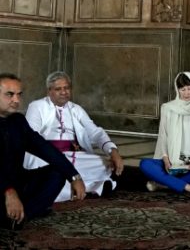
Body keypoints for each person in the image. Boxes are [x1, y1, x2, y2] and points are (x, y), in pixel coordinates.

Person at [1, 73, 86, 230]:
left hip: (17, 182)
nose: (16, 100)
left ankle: (22, 216)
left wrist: (74, 176)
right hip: (4, 187)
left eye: (19, 94)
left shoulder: (18, 121)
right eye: (10, 94)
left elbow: (44, 148)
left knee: (58, 172)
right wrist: (8, 191)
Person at [24, 71, 123, 202]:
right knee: (43, 166)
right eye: (58, 89)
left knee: (104, 164)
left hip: (72, 156)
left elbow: (95, 132)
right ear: (49, 91)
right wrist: (52, 154)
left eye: (66, 88)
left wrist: (112, 150)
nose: (63, 92)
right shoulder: (37, 106)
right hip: (47, 156)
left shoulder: (76, 109)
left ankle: (80, 188)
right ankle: (91, 187)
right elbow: (32, 136)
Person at [140, 72, 190, 195]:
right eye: (182, 89)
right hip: (170, 161)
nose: (186, 93)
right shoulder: (167, 108)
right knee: (145, 164)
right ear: (177, 90)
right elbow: (163, 136)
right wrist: (165, 158)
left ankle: (164, 184)